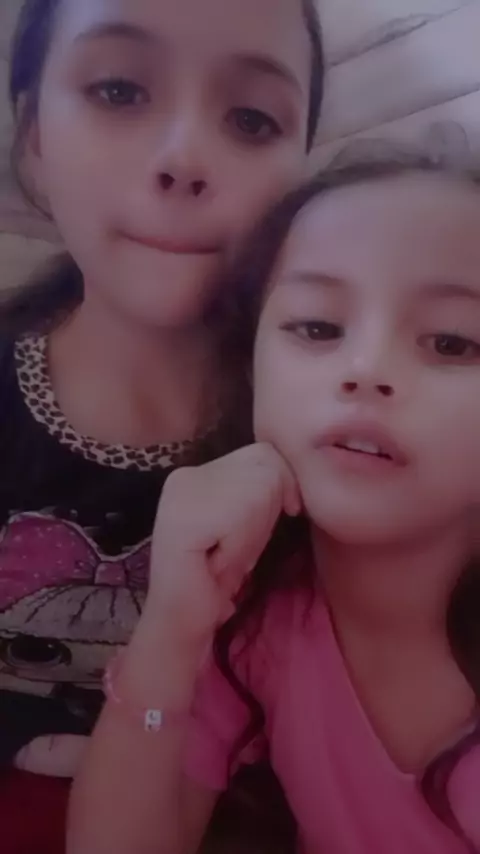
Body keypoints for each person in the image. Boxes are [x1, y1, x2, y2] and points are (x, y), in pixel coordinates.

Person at [69, 152, 480, 854]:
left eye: (451, 341)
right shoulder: (258, 624)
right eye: (318, 328)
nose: (365, 370)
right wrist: (170, 630)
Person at [0, 0, 324, 850]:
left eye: (251, 119)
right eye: (118, 91)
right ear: (34, 139)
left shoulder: (347, 421)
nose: (183, 160)